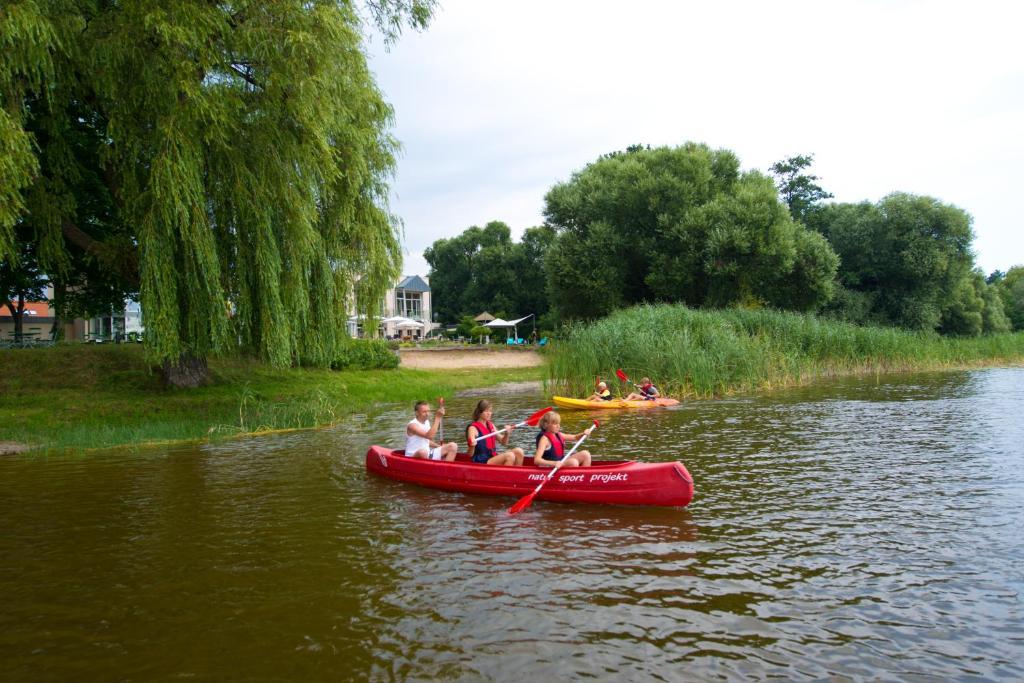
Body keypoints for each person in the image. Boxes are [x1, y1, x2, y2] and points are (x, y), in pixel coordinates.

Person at [465, 399, 525, 466]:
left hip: (492, 457)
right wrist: (472, 446)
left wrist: (507, 433)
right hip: (481, 461)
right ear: (480, 412)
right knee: (510, 456)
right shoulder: (472, 428)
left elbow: (503, 442)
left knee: (519, 452)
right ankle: (506, 475)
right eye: (486, 411)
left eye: (490, 411)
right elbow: (469, 454)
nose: (489, 413)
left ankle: (516, 475)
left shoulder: (491, 425)